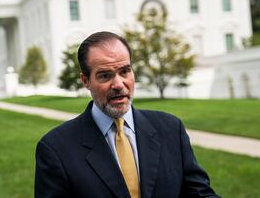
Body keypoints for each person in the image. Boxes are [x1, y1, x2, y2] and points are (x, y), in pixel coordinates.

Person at [35, 31, 219, 198]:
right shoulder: (55, 149)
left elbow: (199, 194)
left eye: (124, 71)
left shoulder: (170, 129)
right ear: (85, 80)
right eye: (105, 76)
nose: (118, 84)